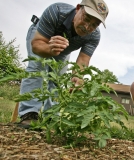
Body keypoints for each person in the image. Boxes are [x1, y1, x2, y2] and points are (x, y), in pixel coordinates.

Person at [18, 0, 109, 129]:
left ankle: (51, 117)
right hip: (43, 38)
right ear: (78, 8)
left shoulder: (93, 35)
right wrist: (49, 49)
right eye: (86, 19)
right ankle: (29, 114)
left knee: (57, 78)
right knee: (37, 67)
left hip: (64, 49)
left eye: (94, 25)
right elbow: (37, 45)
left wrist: (78, 78)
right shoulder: (56, 11)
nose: (88, 27)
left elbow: (83, 61)